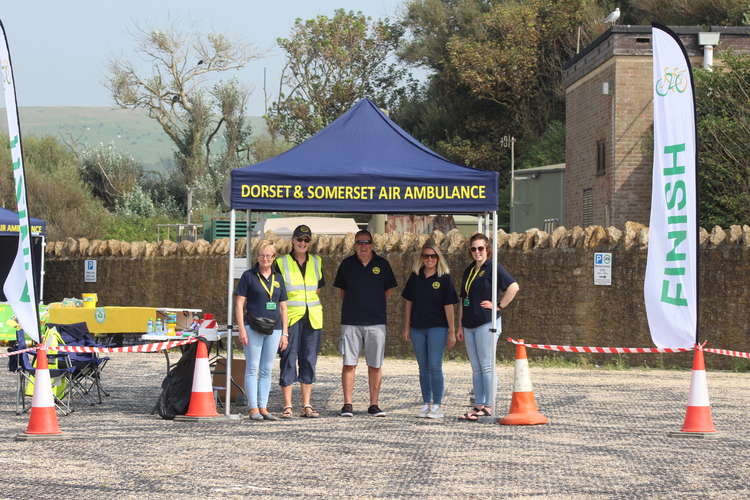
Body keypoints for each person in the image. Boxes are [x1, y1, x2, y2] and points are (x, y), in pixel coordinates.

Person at [334, 229, 397, 417]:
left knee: (375, 364)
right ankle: (347, 404)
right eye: (359, 242)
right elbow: (342, 291)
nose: (363, 246)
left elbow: (388, 292)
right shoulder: (346, 265)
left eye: (366, 242)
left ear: (372, 244)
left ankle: (374, 404)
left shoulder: (382, 264)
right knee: (349, 363)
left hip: (376, 322)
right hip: (351, 321)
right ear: (354, 245)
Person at [457, 233, 519, 421]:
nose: (477, 252)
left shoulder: (493, 267)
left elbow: (514, 287)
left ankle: (489, 405)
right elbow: (463, 299)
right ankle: (479, 405)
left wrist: (499, 306)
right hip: (469, 324)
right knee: (475, 367)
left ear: (487, 249)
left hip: (486, 323)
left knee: (486, 366)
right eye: (474, 249)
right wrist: (460, 324)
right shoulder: (469, 270)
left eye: (481, 248)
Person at [401, 241, 458, 419]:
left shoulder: (444, 278)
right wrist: (406, 327)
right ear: (421, 258)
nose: (430, 259)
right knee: (422, 367)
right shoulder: (415, 276)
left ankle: (437, 405)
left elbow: (449, 306)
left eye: (433, 256)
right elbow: (408, 302)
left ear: (438, 258)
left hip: (438, 328)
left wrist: (451, 331)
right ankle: (426, 403)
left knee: (435, 365)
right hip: (417, 328)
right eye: (426, 256)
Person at [235, 240, 289, 421]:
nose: (265, 259)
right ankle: (253, 408)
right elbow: (239, 303)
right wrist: (241, 328)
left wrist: (285, 333)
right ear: (257, 257)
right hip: (253, 327)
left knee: (266, 369)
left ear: (274, 258)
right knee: (252, 367)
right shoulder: (248, 276)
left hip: (274, 329)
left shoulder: (278, 279)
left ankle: (264, 407)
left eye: (268, 255)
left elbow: (283, 307)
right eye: (262, 255)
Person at [275, 225, 325, 418]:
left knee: (309, 359)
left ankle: (306, 405)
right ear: (293, 241)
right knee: (288, 358)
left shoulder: (317, 261)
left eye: (306, 240)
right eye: (299, 239)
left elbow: (318, 288)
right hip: (291, 317)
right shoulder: (281, 262)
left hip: (312, 317)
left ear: (309, 243)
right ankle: (287, 406)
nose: (302, 243)